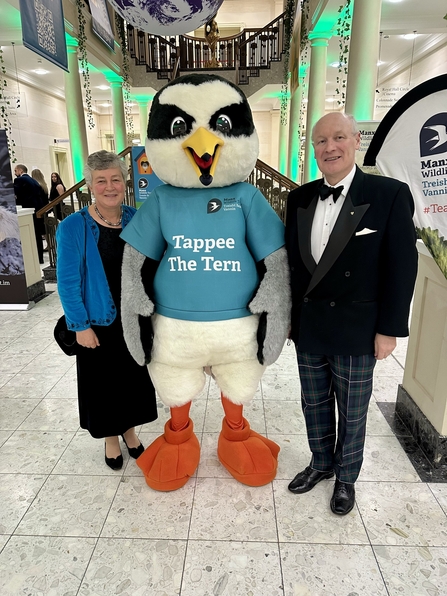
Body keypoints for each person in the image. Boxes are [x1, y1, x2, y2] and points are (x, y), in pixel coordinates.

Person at [285, 112, 418, 515]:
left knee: (353, 409)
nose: (329, 148)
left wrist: (389, 329)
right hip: (310, 325)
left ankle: (346, 477)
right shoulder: (299, 197)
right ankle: (321, 463)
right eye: (320, 141)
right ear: (313, 149)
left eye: (338, 137)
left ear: (355, 140)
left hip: (358, 327)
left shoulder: (389, 193)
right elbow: (291, 265)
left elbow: (401, 265)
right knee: (314, 402)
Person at [56, 150, 158, 470]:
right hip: (97, 322)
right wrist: (79, 325)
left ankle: (129, 432)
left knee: (131, 382)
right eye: (101, 181)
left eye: (115, 179)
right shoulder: (73, 227)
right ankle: (111, 439)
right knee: (103, 386)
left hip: (132, 319)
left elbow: (150, 267)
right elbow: (68, 282)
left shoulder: (135, 218)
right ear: (90, 185)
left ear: (125, 182)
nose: (109, 186)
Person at [14, 164, 46, 263]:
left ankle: (32, 258)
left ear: (20, 170)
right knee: (37, 235)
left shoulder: (19, 180)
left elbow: (15, 195)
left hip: (27, 211)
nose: (15, 173)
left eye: (15, 171)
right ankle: (39, 258)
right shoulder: (34, 181)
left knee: (29, 235)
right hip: (37, 211)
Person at [31, 169, 50, 249]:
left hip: (39, 210)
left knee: (41, 229)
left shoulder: (37, 186)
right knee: (44, 227)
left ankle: (50, 244)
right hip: (45, 208)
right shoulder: (44, 185)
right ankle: (50, 243)